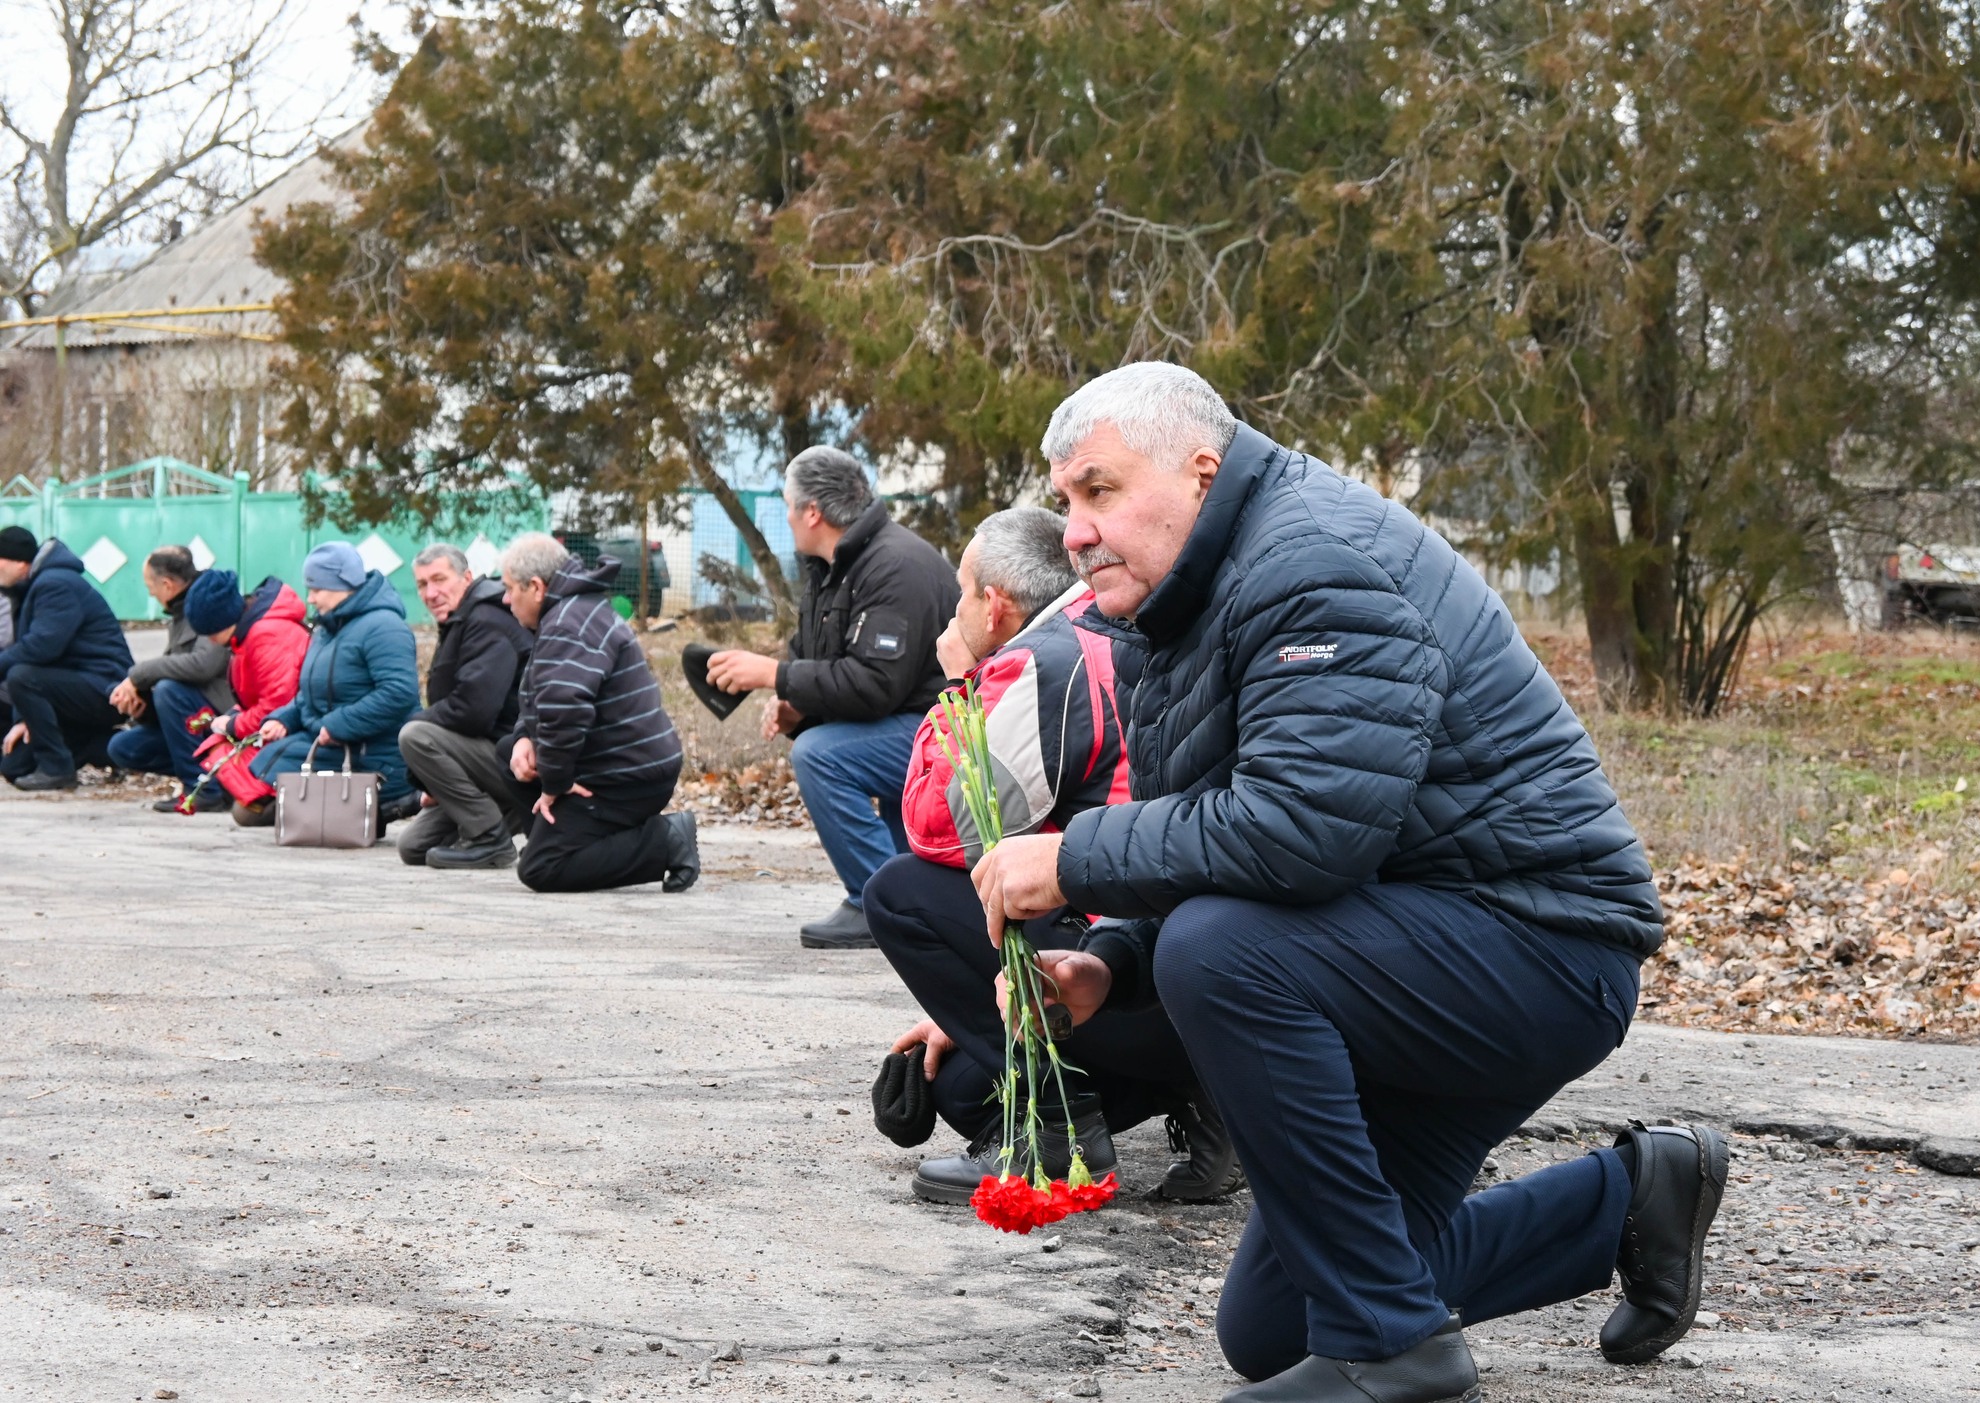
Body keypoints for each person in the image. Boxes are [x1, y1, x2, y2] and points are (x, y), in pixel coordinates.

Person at [964, 363, 1724, 1402]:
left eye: (1100, 489)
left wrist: (1071, 855)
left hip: (1538, 949)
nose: (1077, 531)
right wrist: (1108, 963)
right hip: (1405, 946)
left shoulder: (1313, 561)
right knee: (1272, 1327)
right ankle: (1623, 1203)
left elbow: (1301, 831)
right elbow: (1220, 836)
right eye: (1065, 500)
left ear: (1200, 471)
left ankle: (1390, 1343)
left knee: (1219, 954)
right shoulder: (1185, 599)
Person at [864, 506, 1244, 1203]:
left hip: (1126, 968)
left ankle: (1060, 1136)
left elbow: (942, 829)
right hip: (1190, 958)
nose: (954, 614)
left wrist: (958, 686)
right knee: (962, 1090)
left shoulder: (1041, 659)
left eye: (961, 593)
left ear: (993, 604)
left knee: (898, 891)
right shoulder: (1109, 628)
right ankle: (1207, 1093)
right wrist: (960, 1014)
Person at [704, 446, 957, 947]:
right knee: (826, 745)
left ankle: (879, 904)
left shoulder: (893, 566)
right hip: (912, 722)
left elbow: (874, 685)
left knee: (821, 754)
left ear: (812, 512)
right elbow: (822, 655)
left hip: (950, 733)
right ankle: (915, 907)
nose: (786, 517)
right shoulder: (834, 566)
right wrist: (797, 704)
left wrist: (775, 675)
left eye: (787, 505)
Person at [497, 532, 699, 893]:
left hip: (626, 777)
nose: (505, 598)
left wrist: (556, 784)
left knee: (541, 869)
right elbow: (539, 694)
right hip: (618, 762)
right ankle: (556, 839)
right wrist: (524, 736)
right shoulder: (570, 611)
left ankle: (665, 840)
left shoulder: (567, 625)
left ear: (537, 587)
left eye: (510, 588)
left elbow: (565, 711)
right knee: (507, 754)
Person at [246, 542, 420, 824]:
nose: (310, 599)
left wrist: (338, 725)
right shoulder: (328, 628)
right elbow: (312, 693)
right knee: (250, 801)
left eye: (317, 589)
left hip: (371, 753)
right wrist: (285, 719)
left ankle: (390, 806)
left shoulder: (384, 627)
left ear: (344, 585)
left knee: (256, 809)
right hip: (330, 742)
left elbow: (398, 693)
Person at [396, 543, 532, 870]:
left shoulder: (487, 619)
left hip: (516, 758)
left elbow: (473, 710)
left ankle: (489, 837)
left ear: (467, 577)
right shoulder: (462, 618)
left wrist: (421, 729)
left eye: (439, 579)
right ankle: (501, 814)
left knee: (415, 735)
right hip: (489, 756)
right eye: (422, 584)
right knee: (413, 847)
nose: (430, 593)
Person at [0, 526, 134, 790]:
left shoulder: (56, 584)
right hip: (73, 685)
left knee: (21, 677)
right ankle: (112, 746)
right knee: (14, 767)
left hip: (105, 686)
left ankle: (57, 770)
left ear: (18, 562)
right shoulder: (33, 586)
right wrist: (23, 719)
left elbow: (41, 648)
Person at [106, 546, 237, 811]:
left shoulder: (207, 603)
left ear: (167, 584)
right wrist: (144, 706)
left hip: (226, 717)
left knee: (168, 689)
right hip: (199, 719)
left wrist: (138, 676)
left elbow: (203, 665)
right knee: (123, 748)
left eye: (150, 586)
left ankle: (202, 790)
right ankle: (222, 779)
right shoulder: (179, 612)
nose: (150, 594)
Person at [181, 570, 312, 807]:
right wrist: (233, 716)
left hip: (295, 731)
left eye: (211, 632)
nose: (209, 640)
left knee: (247, 810)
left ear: (223, 621)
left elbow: (277, 707)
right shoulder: (250, 632)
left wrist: (232, 724)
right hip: (287, 727)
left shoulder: (266, 635)